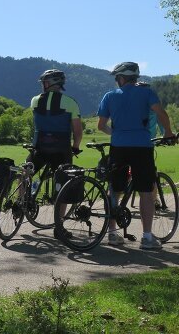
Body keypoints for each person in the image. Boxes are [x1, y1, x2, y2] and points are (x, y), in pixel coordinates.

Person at [97, 62, 175, 250]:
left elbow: (101, 125)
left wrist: (115, 134)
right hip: (142, 146)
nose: (117, 81)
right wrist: (168, 133)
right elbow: (162, 113)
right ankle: (147, 238)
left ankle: (112, 234)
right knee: (146, 192)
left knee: (115, 189)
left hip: (118, 147)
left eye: (117, 78)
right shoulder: (147, 93)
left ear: (122, 78)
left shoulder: (109, 96)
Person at [29, 70, 83, 239]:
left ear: (50, 83)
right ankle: (58, 227)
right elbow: (78, 131)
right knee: (63, 187)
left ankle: (22, 202)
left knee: (25, 171)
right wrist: (75, 146)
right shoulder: (70, 103)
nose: (42, 85)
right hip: (61, 150)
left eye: (44, 82)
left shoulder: (34, 100)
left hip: (39, 148)